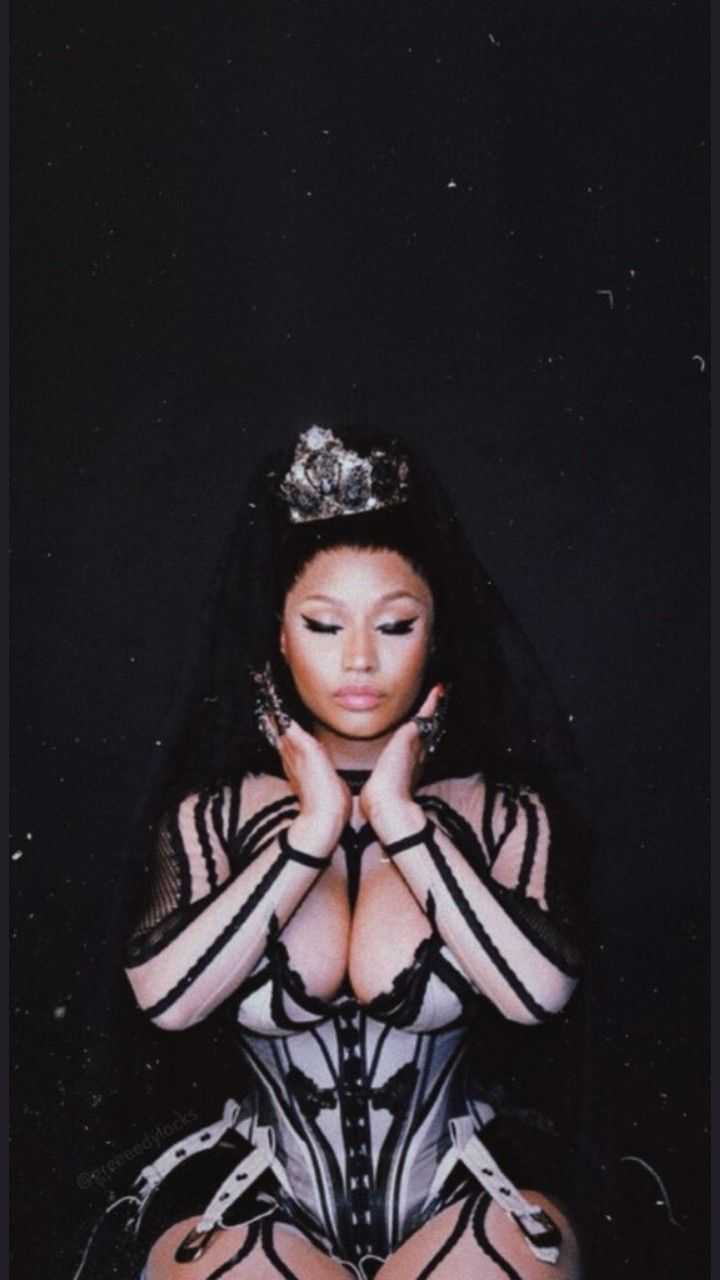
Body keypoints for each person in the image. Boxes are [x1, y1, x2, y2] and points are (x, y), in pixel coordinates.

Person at [71, 426, 590, 1279]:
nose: (359, 660)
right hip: (253, 1202)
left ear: (435, 634)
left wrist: (398, 816)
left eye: (395, 624)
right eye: (322, 624)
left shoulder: (500, 812)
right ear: (279, 638)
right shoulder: (215, 816)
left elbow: (537, 996)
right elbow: (166, 1002)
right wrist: (311, 828)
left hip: (468, 1196)